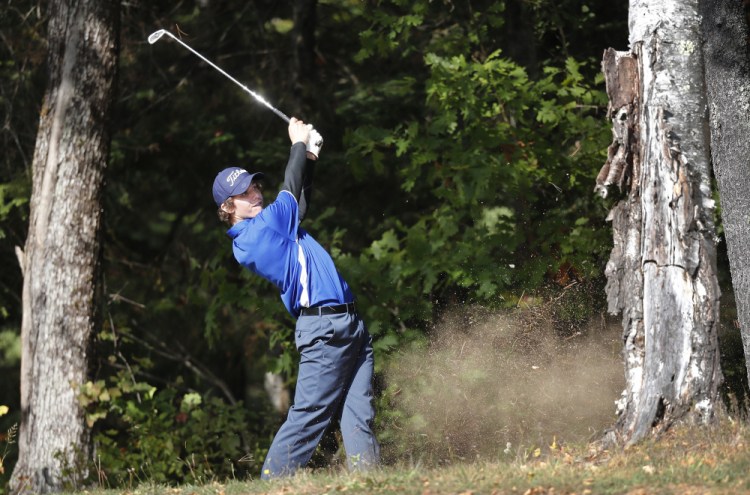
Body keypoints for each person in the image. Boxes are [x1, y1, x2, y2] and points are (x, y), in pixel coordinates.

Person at [211, 117, 380, 479]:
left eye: (255, 186)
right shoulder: (255, 234)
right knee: (307, 417)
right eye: (244, 193)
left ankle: (370, 481)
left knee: (358, 415)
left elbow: (298, 208)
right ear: (228, 208)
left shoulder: (274, 224)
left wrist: (311, 160)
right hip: (324, 330)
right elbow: (290, 187)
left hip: (349, 327)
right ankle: (271, 484)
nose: (255, 193)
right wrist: (298, 143)